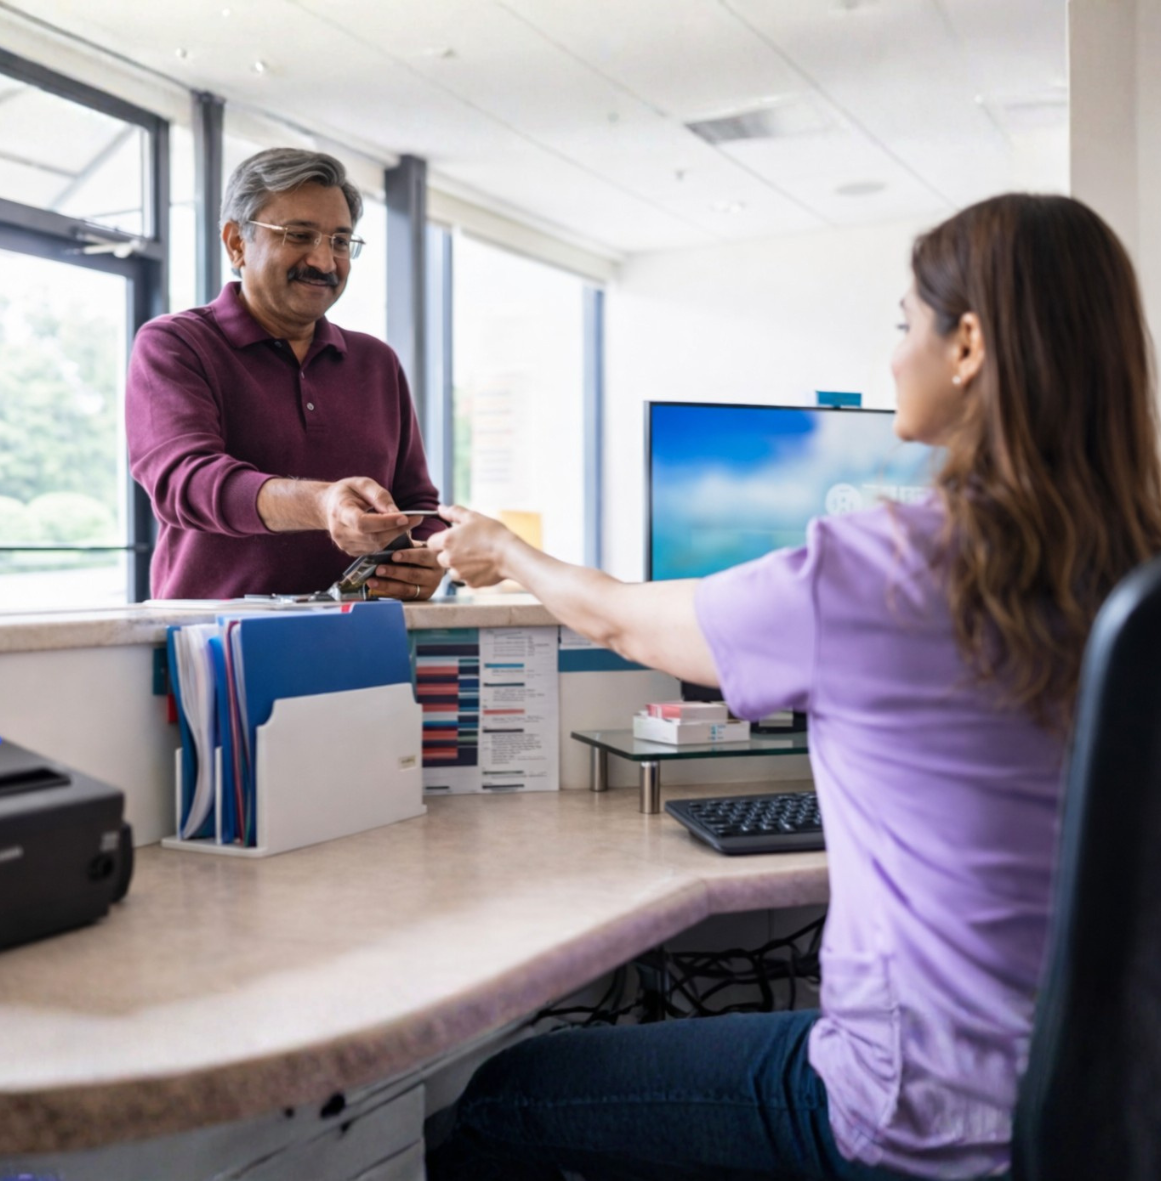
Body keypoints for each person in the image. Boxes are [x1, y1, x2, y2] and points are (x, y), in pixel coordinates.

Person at [423, 194, 1161, 1180]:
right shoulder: (1139, 575)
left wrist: (506, 550)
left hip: (916, 1116)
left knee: (503, 1097)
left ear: (967, 344)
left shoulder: (876, 569)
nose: (892, 355)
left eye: (904, 325)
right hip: (1114, 1115)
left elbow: (618, 620)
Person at [127, 147, 443, 600]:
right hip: (217, 643)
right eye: (299, 235)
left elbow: (417, 504)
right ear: (237, 242)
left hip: (364, 642)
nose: (323, 262)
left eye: (339, 241)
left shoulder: (377, 363)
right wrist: (321, 503)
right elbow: (185, 481)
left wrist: (426, 558)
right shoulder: (176, 344)